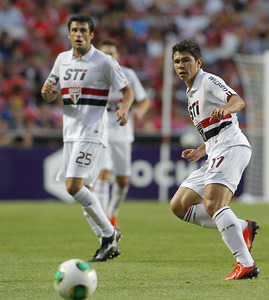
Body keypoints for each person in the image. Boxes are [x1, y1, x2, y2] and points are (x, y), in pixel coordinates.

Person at [41, 15, 134, 262]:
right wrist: (47, 93)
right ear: (69, 34)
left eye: (83, 30)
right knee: (86, 197)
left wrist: (124, 109)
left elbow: (128, 91)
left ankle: (108, 234)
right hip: (69, 133)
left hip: (92, 131)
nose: (79, 34)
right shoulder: (61, 59)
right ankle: (108, 240)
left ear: (91, 35)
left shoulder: (104, 61)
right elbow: (50, 93)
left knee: (73, 186)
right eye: (74, 30)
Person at [169, 39, 260, 280]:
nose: (181, 65)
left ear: (198, 62)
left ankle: (245, 263)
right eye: (177, 61)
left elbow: (238, 100)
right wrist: (201, 150)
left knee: (213, 204)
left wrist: (228, 108)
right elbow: (212, 129)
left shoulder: (208, 81)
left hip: (231, 146)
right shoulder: (190, 94)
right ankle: (241, 226)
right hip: (215, 150)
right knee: (179, 205)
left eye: (186, 60)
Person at [94, 38, 151, 228]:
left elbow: (144, 101)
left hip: (122, 132)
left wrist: (138, 112)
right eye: (104, 53)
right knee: (103, 172)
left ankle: (113, 213)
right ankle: (103, 223)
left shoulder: (128, 75)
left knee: (123, 180)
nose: (108, 56)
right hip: (100, 131)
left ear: (117, 56)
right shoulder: (93, 76)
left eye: (111, 53)